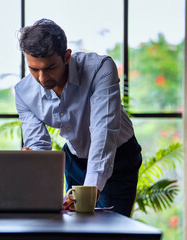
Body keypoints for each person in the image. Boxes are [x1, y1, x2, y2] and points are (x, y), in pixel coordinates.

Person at [15, 19, 142, 217]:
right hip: (75, 159)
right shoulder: (24, 92)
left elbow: (103, 133)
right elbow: (39, 146)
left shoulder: (100, 69)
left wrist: (89, 191)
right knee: (75, 226)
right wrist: (32, 160)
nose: (41, 78)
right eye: (33, 69)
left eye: (49, 68)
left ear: (66, 57)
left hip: (118, 157)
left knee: (111, 229)